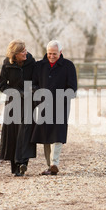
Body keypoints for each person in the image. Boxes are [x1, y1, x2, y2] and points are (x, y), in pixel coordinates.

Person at [31, 40, 77, 175]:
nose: (51, 56)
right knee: (45, 135)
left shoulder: (68, 66)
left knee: (57, 134)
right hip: (44, 104)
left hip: (61, 105)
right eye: (49, 53)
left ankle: (54, 163)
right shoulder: (39, 66)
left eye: (54, 54)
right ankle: (49, 166)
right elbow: (34, 85)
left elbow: (72, 88)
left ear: (60, 52)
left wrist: (61, 97)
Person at [0, 40, 36, 176]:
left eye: (25, 50)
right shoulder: (7, 64)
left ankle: (23, 163)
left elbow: (37, 81)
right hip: (13, 102)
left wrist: (32, 90)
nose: (26, 53)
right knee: (13, 133)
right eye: (22, 51)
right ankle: (15, 167)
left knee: (25, 132)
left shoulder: (32, 62)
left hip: (28, 102)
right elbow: (2, 86)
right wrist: (16, 92)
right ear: (15, 54)